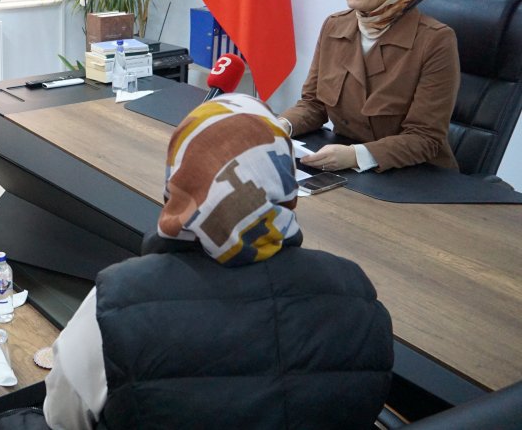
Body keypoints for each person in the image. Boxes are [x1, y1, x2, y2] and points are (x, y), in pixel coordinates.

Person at [41, 94, 394, 429]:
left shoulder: (114, 301)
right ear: (284, 176)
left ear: (178, 181)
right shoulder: (356, 293)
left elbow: (61, 417)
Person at [279, 0, 459, 172]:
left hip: (414, 176)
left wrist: (356, 156)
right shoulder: (335, 25)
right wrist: (281, 126)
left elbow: (425, 137)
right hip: (347, 168)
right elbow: (314, 104)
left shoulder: (436, 40)